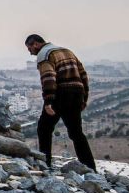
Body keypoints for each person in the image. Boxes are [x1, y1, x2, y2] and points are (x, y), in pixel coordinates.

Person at [24, 34, 96, 171]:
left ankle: (45, 163)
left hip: (61, 94)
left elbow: (48, 78)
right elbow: (83, 75)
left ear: (35, 44)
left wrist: (48, 102)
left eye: (29, 48)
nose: (30, 52)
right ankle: (90, 167)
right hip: (76, 93)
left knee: (44, 128)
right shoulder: (67, 51)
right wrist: (84, 98)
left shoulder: (44, 55)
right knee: (76, 133)